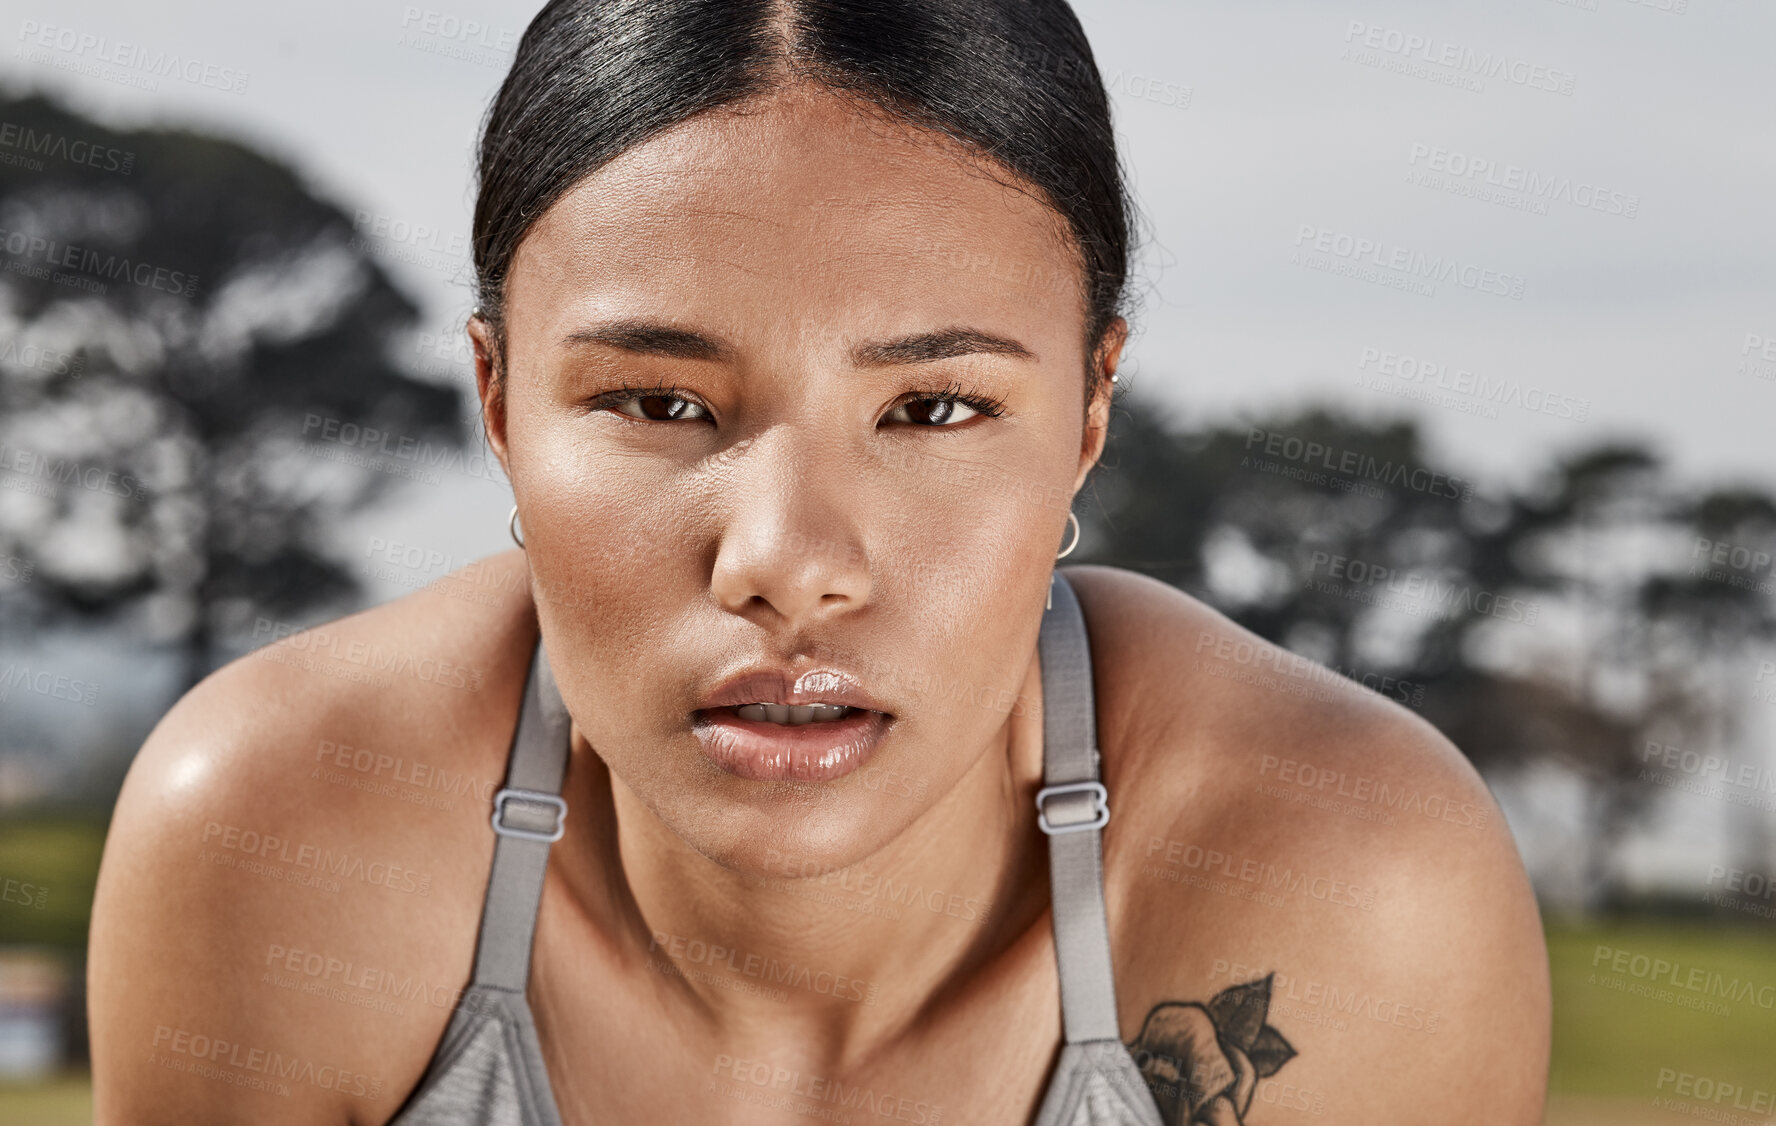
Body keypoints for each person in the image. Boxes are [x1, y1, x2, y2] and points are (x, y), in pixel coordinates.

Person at [87, 1, 1550, 1123]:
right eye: (660, 403)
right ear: (498, 400)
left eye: (934, 408)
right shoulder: (283, 838)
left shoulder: (1347, 883)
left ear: (1093, 410)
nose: (787, 565)